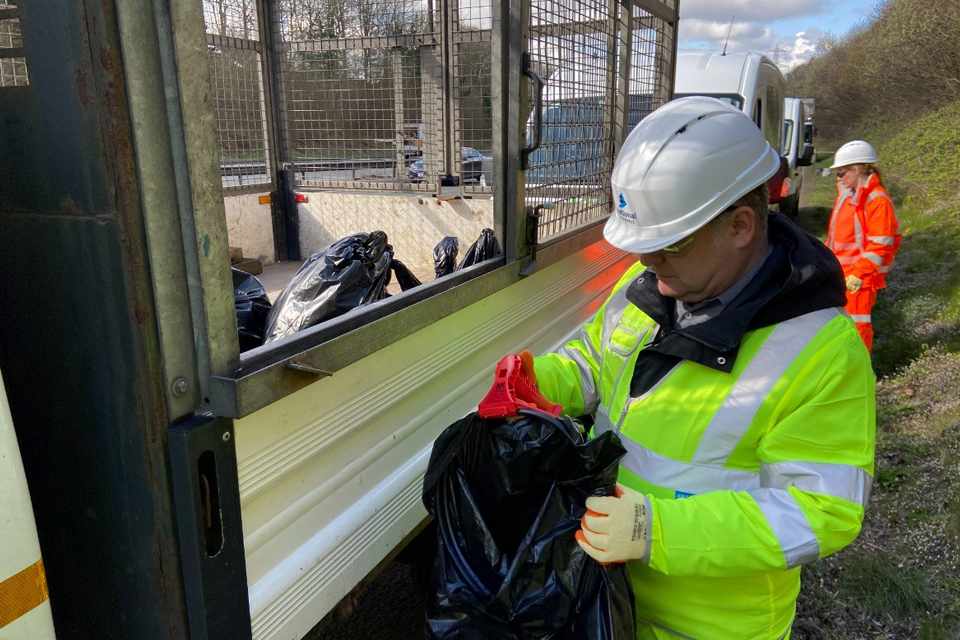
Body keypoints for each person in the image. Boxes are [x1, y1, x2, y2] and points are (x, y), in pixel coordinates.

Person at [488, 97, 876, 639]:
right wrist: (537, 381)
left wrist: (657, 531)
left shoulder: (821, 351)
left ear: (741, 225)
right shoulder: (647, 287)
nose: (648, 262)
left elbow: (820, 510)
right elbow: (595, 364)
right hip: (607, 597)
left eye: (667, 245)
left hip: (709, 624)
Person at [826, 140, 902, 353]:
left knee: (857, 326)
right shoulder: (849, 195)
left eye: (841, 173)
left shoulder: (876, 200)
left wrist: (859, 274)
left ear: (857, 169)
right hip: (843, 273)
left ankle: (860, 375)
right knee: (842, 325)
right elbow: (838, 238)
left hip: (860, 277)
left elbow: (881, 244)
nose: (839, 179)